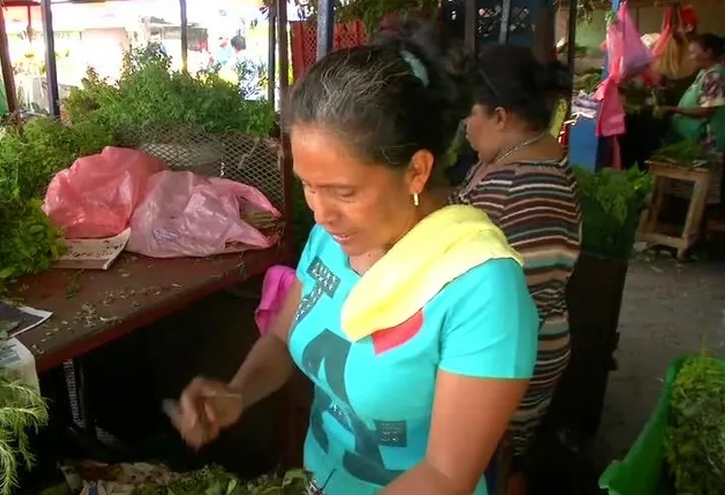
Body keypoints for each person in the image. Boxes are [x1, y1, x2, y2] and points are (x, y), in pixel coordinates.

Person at [168, 19, 540, 495]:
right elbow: (283, 339)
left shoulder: (482, 290)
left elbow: (446, 477)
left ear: (416, 171)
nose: (321, 213)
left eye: (343, 191)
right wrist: (237, 395)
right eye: (308, 185)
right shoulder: (337, 237)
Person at [449, 44, 582, 487]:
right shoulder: (523, 157)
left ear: (501, 117)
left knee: (496, 458)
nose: (465, 128)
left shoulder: (522, 185)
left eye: (470, 115)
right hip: (522, 338)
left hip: (517, 350)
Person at [660, 33, 725, 205]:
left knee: (704, 193)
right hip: (699, 140)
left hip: (710, 142)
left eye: (693, 52)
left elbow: (707, 111)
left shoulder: (715, 76)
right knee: (693, 191)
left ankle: (700, 226)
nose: (690, 57)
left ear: (708, 52)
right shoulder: (706, 73)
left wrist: (674, 109)